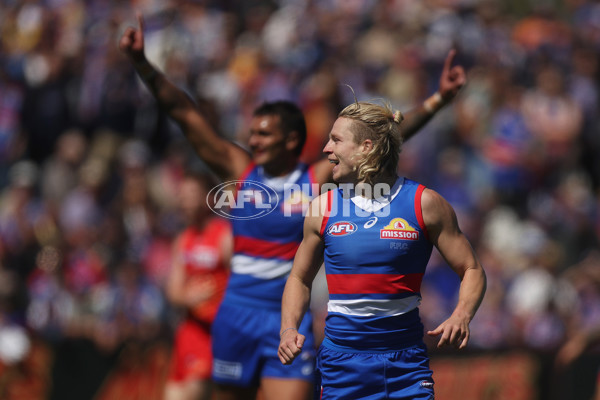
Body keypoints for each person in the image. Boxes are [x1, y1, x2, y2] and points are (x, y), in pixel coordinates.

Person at [119, 13, 466, 400]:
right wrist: (142, 65)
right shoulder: (241, 171)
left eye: (264, 134)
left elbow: (383, 136)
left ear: (291, 140)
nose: (254, 141)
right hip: (236, 312)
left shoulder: (315, 180)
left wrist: (437, 101)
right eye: (252, 134)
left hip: (285, 314)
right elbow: (185, 114)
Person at [278, 101, 486, 399]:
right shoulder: (323, 208)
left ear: (366, 147)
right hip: (342, 366)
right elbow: (299, 278)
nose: (326, 149)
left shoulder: (425, 204)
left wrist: (462, 314)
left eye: (336, 140)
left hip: (407, 366)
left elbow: (472, 269)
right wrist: (288, 329)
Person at [165, 173, 232, 400]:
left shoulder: (225, 236)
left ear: (211, 198)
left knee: (195, 392)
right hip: (189, 331)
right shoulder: (183, 240)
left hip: (214, 332)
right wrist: (188, 297)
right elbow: (173, 291)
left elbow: (241, 283)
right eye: (182, 196)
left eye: (191, 195)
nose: (185, 202)